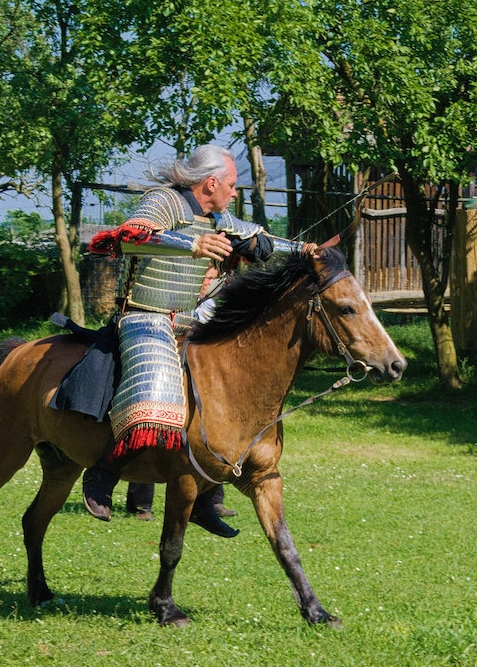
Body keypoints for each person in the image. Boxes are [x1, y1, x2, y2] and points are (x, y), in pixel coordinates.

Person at [81, 144, 313, 535]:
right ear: (211, 183)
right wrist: (192, 244)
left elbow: (259, 242)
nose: (235, 192)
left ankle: (204, 499)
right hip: (144, 317)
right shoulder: (164, 200)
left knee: (224, 398)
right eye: (232, 185)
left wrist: (305, 251)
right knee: (158, 391)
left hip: (190, 323)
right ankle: (103, 473)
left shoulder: (217, 217)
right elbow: (129, 238)